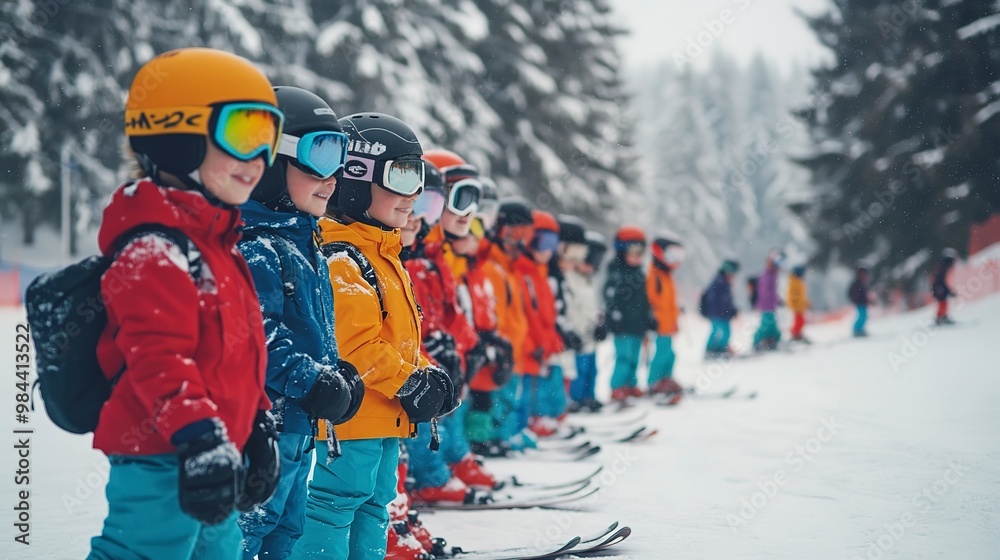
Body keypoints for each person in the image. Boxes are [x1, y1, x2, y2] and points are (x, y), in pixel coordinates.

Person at [88, 48, 281, 560]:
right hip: (161, 454)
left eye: (269, 138)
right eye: (244, 134)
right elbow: (158, 359)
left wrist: (257, 423)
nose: (258, 159)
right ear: (177, 134)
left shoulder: (220, 245)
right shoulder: (155, 248)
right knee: (144, 551)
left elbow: (241, 355)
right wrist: (199, 436)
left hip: (219, 451)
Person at [290, 113, 458, 560]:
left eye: (417, 177)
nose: (415, 194)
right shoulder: (344, 258)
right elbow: (356, 348)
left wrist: (428, 376)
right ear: (357, 181)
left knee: (374, 503)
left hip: (384, 413)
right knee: (336, 503)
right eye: (401, 176)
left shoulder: (385, 256)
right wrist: (409, 380)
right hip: (353, 416)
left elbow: (400, 340)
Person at [236, 87, 364, 559]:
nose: (332, 178)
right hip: (266, 425)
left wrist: (336, 373)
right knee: (250, 529)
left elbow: (314, 332)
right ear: (269, 163)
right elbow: (258, 337)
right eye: (318, 157)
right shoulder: (255, 248)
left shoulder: (301, 242)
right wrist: (312, 381)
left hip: (299, 424)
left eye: (340, 158)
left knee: (286, 530)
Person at [482, 198, 535, 450]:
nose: (519, 242)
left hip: (514, 354)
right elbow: (494, 317)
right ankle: (493, 439)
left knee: (510, 398)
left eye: (525, 234)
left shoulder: (512, 269)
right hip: (501, 357)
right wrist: (498, 352)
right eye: (513, 233)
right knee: (496, 401)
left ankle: (506, 435)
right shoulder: (493, 268)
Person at [515, 210, 565, 436]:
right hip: (525, 350)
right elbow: (522, 316)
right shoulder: (521, 272)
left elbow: (546, 318)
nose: (547, 250)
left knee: (531, 392)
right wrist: (530, 345)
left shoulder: (540, 274)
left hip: (538, 350)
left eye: (552, 244)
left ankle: (527, 427)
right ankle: (517, 430)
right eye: (542, 241)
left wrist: (552, 342)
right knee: (519, 395)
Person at [604, 225, 653, 402]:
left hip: (637, 325)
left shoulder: (640, 274)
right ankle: (617, 386)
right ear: (621, 250)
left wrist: (649, 319)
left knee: (634, 358)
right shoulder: (616, 273)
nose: (637, 255)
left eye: (641, 251)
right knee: (623, 357)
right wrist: (613, 317)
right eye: (633, 250)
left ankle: (630, 385)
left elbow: (645, 300)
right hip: (622, 326)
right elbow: (610, 298)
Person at [568, 231, 608, 412]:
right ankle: (575, 399)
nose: (591, 266)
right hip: (577, 336)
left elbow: (594, 308)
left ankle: (588, 396)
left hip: (590, 337)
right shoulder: (571, 279)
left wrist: (600, 325)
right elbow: (570, 309)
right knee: (579, 369)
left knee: (592, 368)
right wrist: (571, 332)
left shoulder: (590, 282)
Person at [647, 233, 685, 402]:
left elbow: (671, 303)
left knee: (670, 354)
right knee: (661, 354)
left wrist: (675, 319)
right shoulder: (653, 275)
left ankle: (666, 378)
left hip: (668, 325)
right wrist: (651, 319)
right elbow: (650, 300)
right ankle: (654, 382)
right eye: (672, 255)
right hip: (658, 325)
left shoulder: (668, 277)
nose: (675, 260)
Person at [703, 259, 740, 358]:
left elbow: (728, 300)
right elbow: (716, 300)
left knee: (726, 332)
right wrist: (723, 311)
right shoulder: (719, 281)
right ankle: (711, 350)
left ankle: (721, 348)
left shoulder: (725, 281)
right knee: (717, 331)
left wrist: (732, 310)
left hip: (724, 314)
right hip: (717, 314)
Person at [753, 250, 785, 351]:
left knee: (772, 326)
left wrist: (777, 301)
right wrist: (770, 302)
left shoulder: (772, 274)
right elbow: (765, 292)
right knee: (765, 326)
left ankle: (772, 341)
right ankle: (757, 343)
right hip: (766, 306)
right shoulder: (767, 275)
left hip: (770, 306)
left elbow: (772, 292)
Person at [932, 248, 959, 325]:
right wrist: (947, 290)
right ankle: (941, 317)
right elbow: (940, 280)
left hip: (938, 287)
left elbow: (939, 280)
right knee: (942, 301)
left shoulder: (942, 266)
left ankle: (942, 317)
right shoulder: (942, 267)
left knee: (943, 301)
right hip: (939, 288)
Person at [787, 264, 810, 342]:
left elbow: (802, 296)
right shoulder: (794, 281)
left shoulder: (799, 281)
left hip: (800, 306)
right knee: (799, 321)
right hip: (797, 306)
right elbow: (791, 294)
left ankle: (798, 334)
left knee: (801, 321)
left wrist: (806, 303)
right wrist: (794, 303)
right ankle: (795, 335)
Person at [849, 264, 872, 337]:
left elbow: (864, 293)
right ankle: (856, 330)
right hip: (860, 302)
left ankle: (860, 329)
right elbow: (852, 293)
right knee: (862, 316)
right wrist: (856, 299)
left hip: (862, 302)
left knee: (864, 316)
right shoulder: (857, 283)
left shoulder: (861, 283)